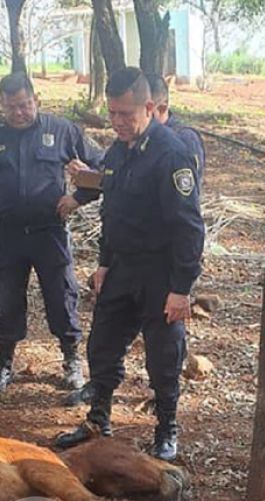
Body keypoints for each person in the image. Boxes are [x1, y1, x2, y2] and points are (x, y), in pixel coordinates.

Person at [55, 67, 205, 462]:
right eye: (113, 113)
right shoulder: (118, 151)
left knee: (163, 357)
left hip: (160, 273)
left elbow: (189, 228)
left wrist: (181, 288)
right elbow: (114, 211)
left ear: (150, 107)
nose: (118, 122)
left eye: (126, 114)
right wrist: (104, 263)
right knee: (101, 345)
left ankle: (166, 428)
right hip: (121, 267)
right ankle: (98, 418)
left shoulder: (172, 154)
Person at [0, 72, 103, 394]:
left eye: (25, 105)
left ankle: (71, 359)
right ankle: (3, 363)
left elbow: (104, 167)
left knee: (61, 297)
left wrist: (79, 197)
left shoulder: (62, 130)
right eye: (12, 107)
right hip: (8, 235)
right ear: (1, 105)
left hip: (49, 233)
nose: (20, 112)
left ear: (36, 100)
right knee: (8, 299)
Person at [146, 73, 205, 186]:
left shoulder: (184, 141)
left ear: (162, 108)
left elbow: (184, 198)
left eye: (146, 111)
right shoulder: (131, 137)